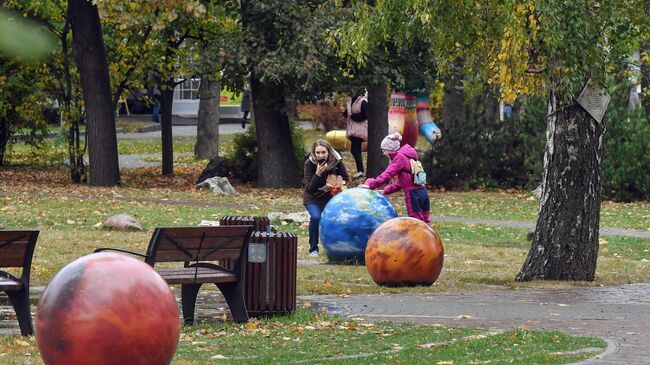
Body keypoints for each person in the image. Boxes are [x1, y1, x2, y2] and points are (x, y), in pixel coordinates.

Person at [360, 132, 430, 224]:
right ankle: (430, 238)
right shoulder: (408, 156)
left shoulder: (399, 158)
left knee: (416, 223)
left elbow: (387, 174)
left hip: (413, 195)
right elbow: (403, 181)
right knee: (425, 222)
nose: (384, 154)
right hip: (423, 192)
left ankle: (419, 238)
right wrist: (386, 190)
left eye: (384, 150)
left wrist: (370, 185)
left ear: (390, 149)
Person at [303, 139, 349, 256]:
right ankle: (313, 249)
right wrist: (318, 173)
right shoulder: (309, 163)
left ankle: (337, 247)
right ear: (314, 153)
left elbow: (345, 178)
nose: (320, 155)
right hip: (312, 197)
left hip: (330, 196)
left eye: (323, 152)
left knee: (336, 219)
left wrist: (337, 184)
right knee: (316, 217)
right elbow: (309, 188)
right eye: (317, 153)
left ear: (329, 152)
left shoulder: (336, 161)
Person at [344, 91, 368, 179]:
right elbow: (348, 114)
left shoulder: (363, 101)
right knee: (355, 150)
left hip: (359, 130)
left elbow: (365, 115)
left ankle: (360, 171)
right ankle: (360, 170)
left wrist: (353, 116)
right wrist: (344, 112)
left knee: (355, 150)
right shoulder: (351, 101)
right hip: (354, 129)